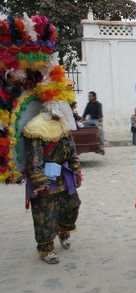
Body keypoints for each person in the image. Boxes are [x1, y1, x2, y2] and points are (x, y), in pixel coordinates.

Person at [0, 15, 81, 264]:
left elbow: (69, 148)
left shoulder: (62, 124)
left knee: (72, 205)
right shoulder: (34, 128)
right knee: (44, 212)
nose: (59, 106)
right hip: (44, 179)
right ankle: (45, 247)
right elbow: (34, 159)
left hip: (63, 175)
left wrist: (75, 166)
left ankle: (64, 229)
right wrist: (38, 178)